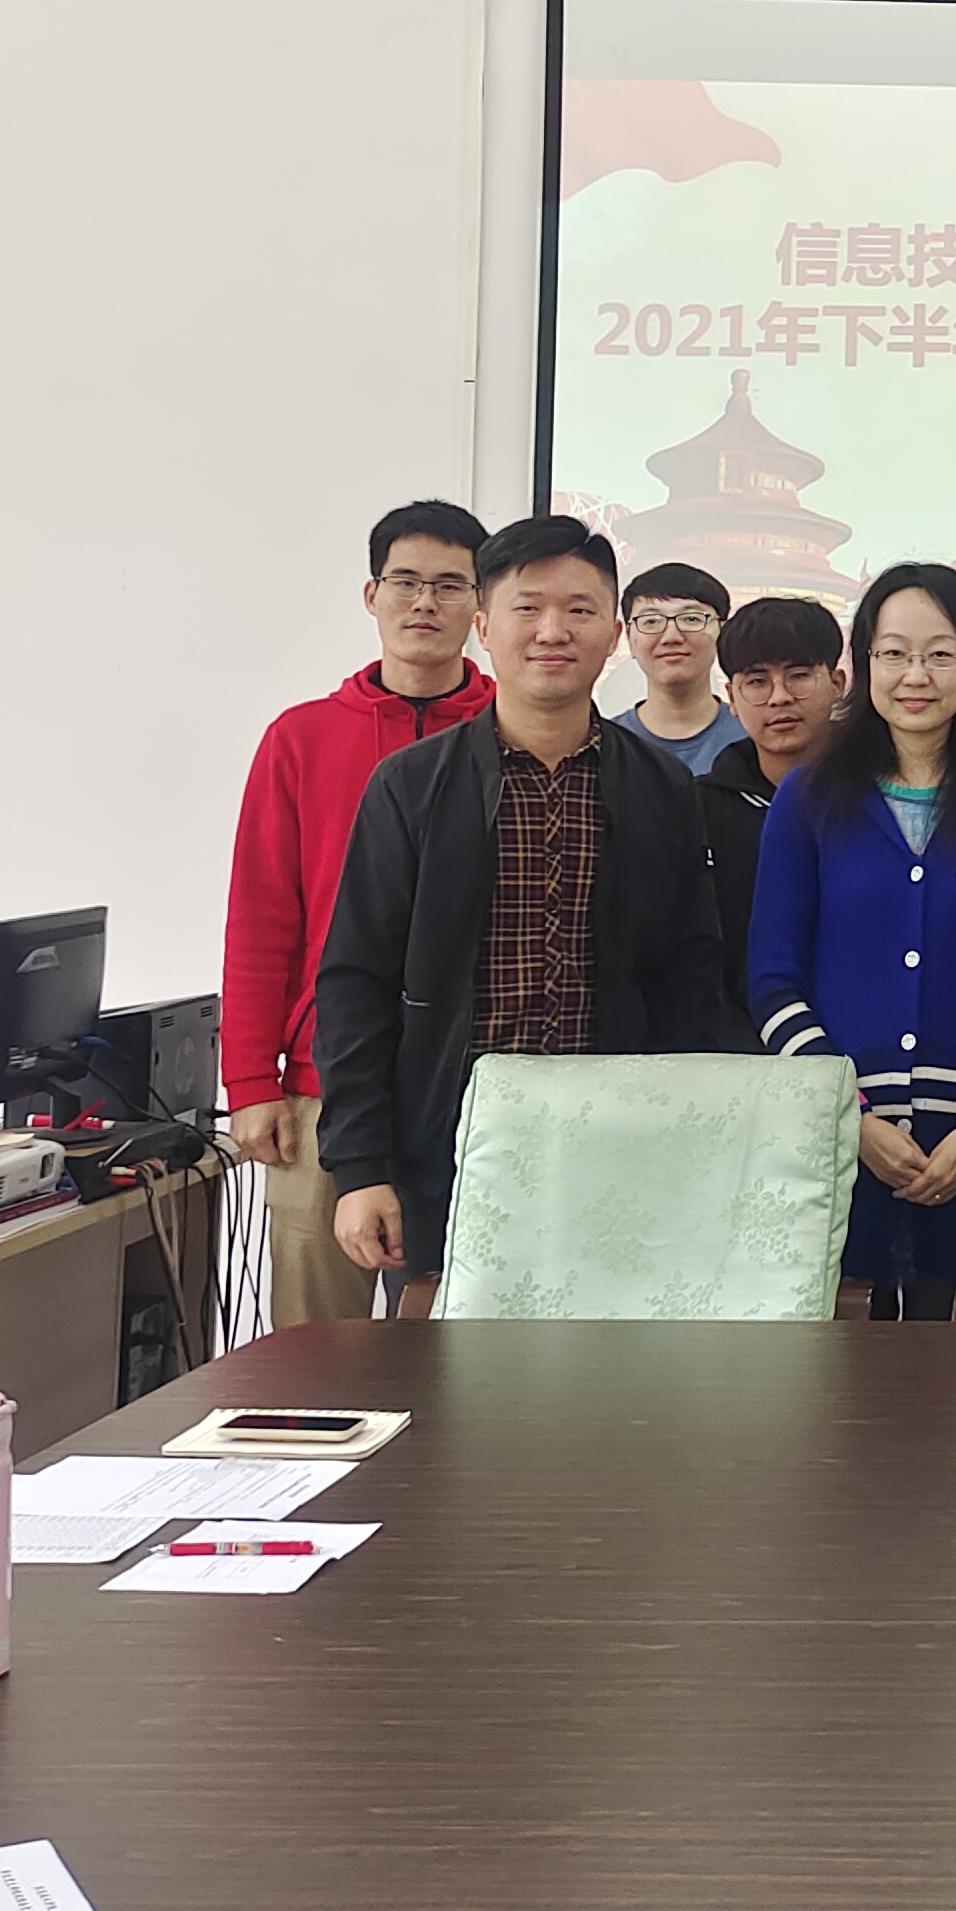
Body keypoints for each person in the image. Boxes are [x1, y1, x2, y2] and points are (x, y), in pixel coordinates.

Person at [311, 515, 740, 1313]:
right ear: (484, 625)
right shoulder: (411, 786)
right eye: (527, 608)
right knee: (443, 1368)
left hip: (616, 1147)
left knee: (607, 1366)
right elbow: (355, 982)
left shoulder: (662, 789)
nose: (552, 631)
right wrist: (361, 1167)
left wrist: (686, 1143)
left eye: (579, 610)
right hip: (446, 1147)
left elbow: (688, 977)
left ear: (613, 634)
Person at [747, 563, 956, 1320]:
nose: (915, 675)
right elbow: (771, 981)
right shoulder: (807, 795)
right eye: (893, 653)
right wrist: (850, 1117)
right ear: (863, 665)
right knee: (835, 1358)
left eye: (940, 654)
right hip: (838, 1141)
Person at [220, 499, 497, 1331]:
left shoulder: (510, 735)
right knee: (316, 1349)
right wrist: (250, 1082)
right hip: (323, 1086)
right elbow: (262, 916)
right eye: (405, 582)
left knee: (464, 1340)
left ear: (480, 606)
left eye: (450, 586)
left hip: (473, 1086)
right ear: (372, 595)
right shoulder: (300, 738)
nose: (425, 603)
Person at [695, 595, 844, 1029]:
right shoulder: (697, 810)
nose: (779, 697)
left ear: (837, 683)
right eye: (757, 681)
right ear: (731, 697)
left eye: (799, 676)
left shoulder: (889, 800)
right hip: (737, 1050)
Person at [613, 561, 744, 775]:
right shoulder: (605, 747)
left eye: (691, 619)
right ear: (629, 638)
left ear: (722, 633)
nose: (671, 637)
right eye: (652, 621)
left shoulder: (754, 738)